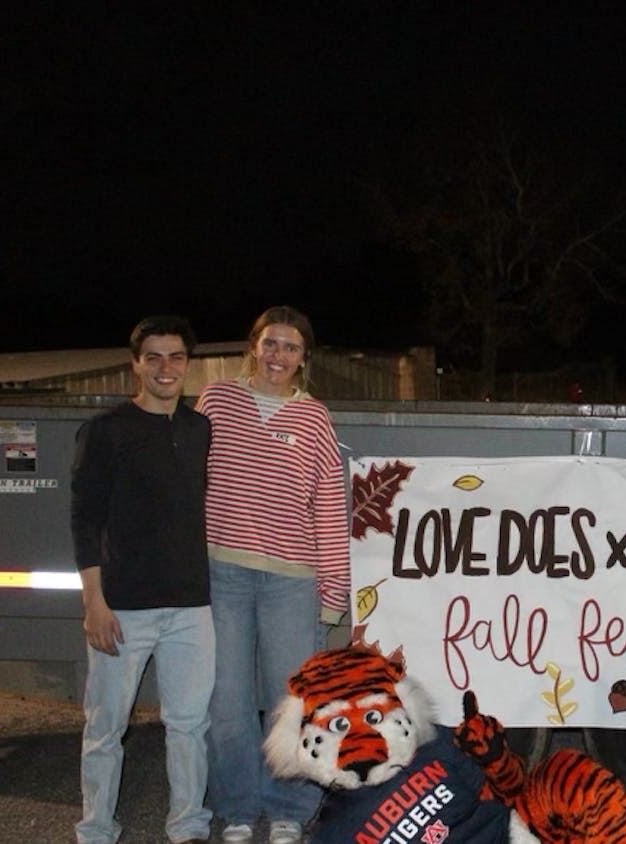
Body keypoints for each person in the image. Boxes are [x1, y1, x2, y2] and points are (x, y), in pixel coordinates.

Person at [197, 306, 351, 844]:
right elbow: (189, 484)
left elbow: (329, 506)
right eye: (270, 343)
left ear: (303, 358)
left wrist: (333, 593)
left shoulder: (314, 419)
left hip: (291, 582)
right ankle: (238, 808)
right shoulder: (216, 401)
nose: (278, 355)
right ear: (253, 346)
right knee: (227, 703)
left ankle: (289, 808)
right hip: (222, 576)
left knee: (291, 704)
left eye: (290, 347)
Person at [71, 315, 214, 844]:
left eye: (175, 356)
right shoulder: (105, 431)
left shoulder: (199, 428)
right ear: (135, 364)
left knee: (190, 726)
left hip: (191, 607)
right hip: (123, 608)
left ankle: (188, 825)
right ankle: (96, 829)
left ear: (187, 364)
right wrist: (94, 603)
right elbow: (84, 520)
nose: (165, 367)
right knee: (105, 728)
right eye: (153, 357)